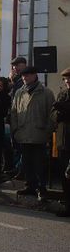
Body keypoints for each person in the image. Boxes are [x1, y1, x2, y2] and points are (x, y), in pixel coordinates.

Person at [10, 65, 55, 200]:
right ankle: (30, 186)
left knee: (40, 163)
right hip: (23, 134)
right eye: (23, 75)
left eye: (27, 75)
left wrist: (48, 131)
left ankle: (42, 188)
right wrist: (16, 129)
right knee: (27, 163)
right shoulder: (19, 92)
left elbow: (52, 114)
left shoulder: (46, 93)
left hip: (39, 134)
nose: (24, 78)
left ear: (35, 75)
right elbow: (14, 112)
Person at [51, 67, 70, 217]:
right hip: (63, 141)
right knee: (64, 175)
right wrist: (58, 113)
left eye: (69, 79)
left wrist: (65, 110)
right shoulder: (62, 94)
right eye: (65, 79)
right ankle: (67, 205)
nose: (67, 81)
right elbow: (53, 116)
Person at [9, 56, 28, 179]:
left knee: (22, 146)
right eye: (14, 66)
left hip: (23, 117)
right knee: (15, 145)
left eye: (17, 65)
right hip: (14, 116)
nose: (15, 68)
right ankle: (17, 169)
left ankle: (21, 170)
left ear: (24, 65)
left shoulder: (24, 80)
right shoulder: (15, 80)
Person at [0, 77, 14, 176]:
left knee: (0, 149)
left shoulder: (6, 97)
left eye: (0, 85)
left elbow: (2, 111)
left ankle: (2, 169)